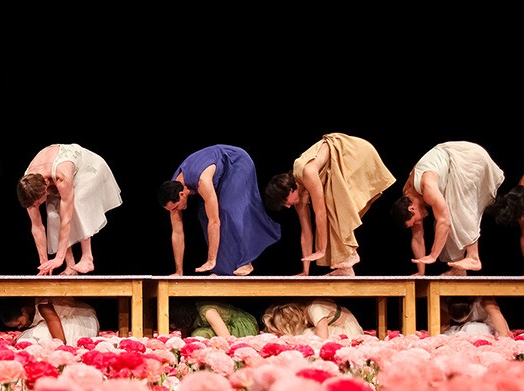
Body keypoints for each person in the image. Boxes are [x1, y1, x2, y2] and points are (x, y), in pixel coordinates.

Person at [263, 133, 396, 276]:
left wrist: (321, 249)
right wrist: (305, 271)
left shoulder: (307, 172)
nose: (288, 207)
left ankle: (350, 253)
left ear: (290, 190)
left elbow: (321, 213)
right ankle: (345, 266)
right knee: (332, 207)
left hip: (355, 153)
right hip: (343, 164)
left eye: (285, 202)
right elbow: (306, 232)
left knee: (333, 205)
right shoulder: (298, 198)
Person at [157, 144, 281, 276]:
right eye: (171, 210)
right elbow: (177, 233)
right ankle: (221, 270)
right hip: (219, 173)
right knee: (204, 216)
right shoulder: (172, 190)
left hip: (236, 162)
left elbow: (215, 222)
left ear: (182, 195)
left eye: (175, 208)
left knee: (229, 210)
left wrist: (211, 260)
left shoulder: (202, 181)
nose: (175, 211)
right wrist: (179, 271)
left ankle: (246, 261)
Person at [389, 141, 505, 275]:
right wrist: (421, 272)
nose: (418, 223)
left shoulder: (427, 187)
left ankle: (473, 258)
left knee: (453, 211)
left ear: (411, 209)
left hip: (467, 157)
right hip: (452, 162)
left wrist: (433, 256)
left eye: (415, 221)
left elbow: (444, 222)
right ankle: (458, 269)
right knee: (444, 216)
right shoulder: (409, 196)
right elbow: (417, 238)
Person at [17, 144, 123, 276]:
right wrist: (44, 264)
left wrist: (58, 258)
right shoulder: (28, 186)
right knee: (52, 213)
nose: (37, 205)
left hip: (88, 167)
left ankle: (87, 257)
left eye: (39, 202)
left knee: (77, 203)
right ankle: (71, 265)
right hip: (53, 172)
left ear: (45, 185)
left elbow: (66, 219)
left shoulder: (61, 176)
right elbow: (37, 227)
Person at [0, 297, 99, 345]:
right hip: (74, 323)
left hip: (83, 322)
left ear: (24, 311)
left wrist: (60, 349)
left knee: (31, 336)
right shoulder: (31, 311)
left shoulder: (43, 306)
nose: (19, 327)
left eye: (19, 323)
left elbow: (58, 336)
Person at [262, 299, 364, 339]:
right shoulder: (311, 309)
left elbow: (322, 338)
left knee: (308, 335)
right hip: (340, 325)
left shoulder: (314, 309)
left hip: (345, 330)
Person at [169, 300, 259, 339]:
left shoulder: (208, 312)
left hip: (241, 326)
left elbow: (226, 338)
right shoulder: (189, 321)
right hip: (226, 329)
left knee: (200, 334)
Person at [440, 296, 511, 337]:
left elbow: (504, 333)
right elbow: (444, 328)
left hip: (493, 328)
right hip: (464, 329)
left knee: (470, 329)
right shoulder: (444, 303)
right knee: (450, 334)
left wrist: (503, 339)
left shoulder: (484, 300)